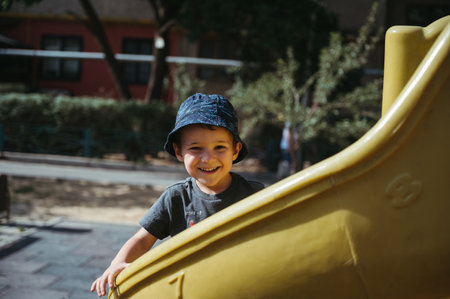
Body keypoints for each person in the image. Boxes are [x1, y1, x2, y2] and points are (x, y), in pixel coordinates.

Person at [90, 93, 264, 297]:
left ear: (235, 150)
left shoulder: (254, 195)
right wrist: (117, 263)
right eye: (196, 148)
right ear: (179, 151)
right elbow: (142, 239)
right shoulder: (177, 197)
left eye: (219, 147)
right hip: (189, 289)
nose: (208, 158)